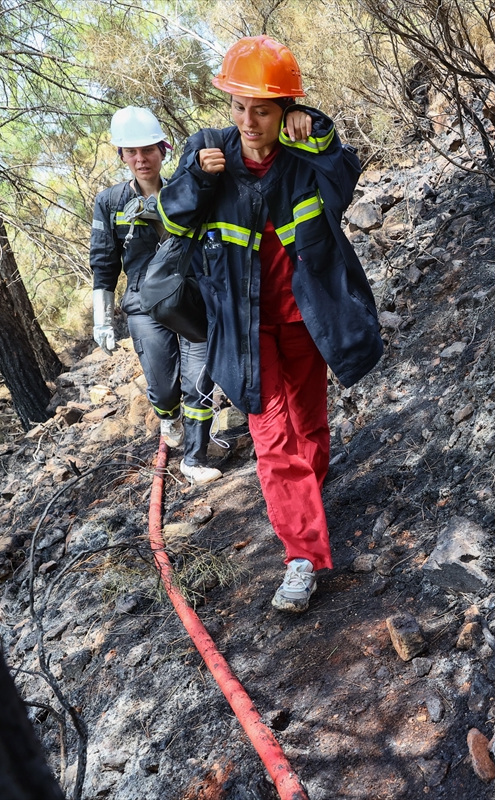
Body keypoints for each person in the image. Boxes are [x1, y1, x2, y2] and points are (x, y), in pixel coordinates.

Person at [158, 36, 383, 612]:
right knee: (274, 439)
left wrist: (321, 131)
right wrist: (196, 181)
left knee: (310, 424)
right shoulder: (208, 154)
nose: (248, 120)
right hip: (243, 329)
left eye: (262, 108)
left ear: (286, 111)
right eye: (238, 106)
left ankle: (307, 494)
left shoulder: (304, 157)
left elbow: (345, 175)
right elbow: (172, 220)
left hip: (307, 319)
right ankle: (302, 557)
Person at [90, 106, 222, 486]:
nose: (139, 158)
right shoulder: (110, 202)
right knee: (164, 387)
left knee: (198, 380)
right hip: (144, 307)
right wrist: (103, 318)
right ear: (121, 156)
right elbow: (103, 263)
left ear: (163, 150)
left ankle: (194, 459)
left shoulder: (186, 190)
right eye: (130, 152)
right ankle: (169, 415)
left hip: (192, 298)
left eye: (147, 149)